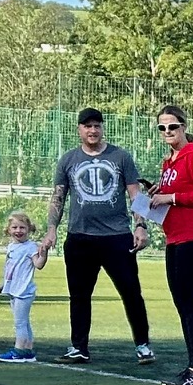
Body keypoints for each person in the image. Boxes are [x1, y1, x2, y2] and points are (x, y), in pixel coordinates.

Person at [36, 107, 154, 366]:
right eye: (87, 126)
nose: (92, 130)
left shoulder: (120, 156)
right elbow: (58, 196)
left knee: (131, 292)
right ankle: (79, 347)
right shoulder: (68, 160)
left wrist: (141, 225)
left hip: (116, 237)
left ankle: (143, 345)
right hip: (79, 238)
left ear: (102, 128)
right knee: (79, 296)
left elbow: (136, 195)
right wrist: (52, 229)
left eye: (96, 125)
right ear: (79, 129)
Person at [148, 105, 193, 385]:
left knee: (191, 303)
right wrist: (158, 193)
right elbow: (175, 192)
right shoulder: (170, 162)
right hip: (176, 237)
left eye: (173, 126)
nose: (168, 132)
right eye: (162, 128)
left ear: (183, 126)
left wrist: (171, 198)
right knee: (183, 304)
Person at [0, 211, 40, 364]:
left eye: (22, 227)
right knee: (24, 321)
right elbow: (9, 267)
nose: (18, 231)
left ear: (29, 229)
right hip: (14, 289)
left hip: (24, 291)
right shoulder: (11, 247)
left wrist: (44, 252)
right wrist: (4, 283)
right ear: (9, 229)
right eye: (14, 227)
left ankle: (19, 350)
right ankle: (28, 349)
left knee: (19, 322)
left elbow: (38, 264)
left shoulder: (31, 247)